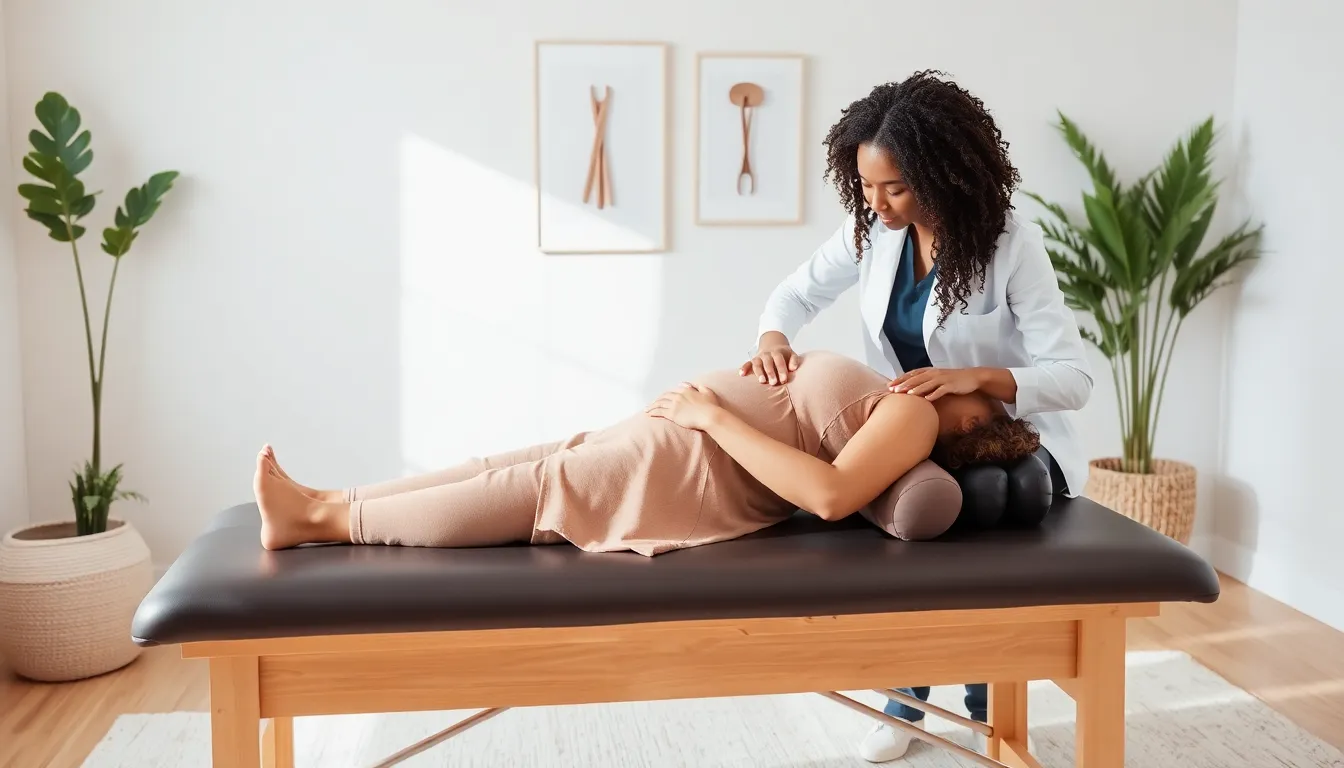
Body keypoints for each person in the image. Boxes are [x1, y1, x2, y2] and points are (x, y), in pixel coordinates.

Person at [740, 71, 1093, 762]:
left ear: (941, 172)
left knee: (974, 504)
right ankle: (906, 699)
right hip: (919, 437)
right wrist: (772, 338)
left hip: (1010, 442)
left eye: (894, 187)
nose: (876, 204)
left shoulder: (1009, 245)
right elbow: (792, 296)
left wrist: (975, 376)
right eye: (866, 187)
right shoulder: (872, 231)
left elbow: (1072, 380)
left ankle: (989, 704)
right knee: (913, 513)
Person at [253, 350, 1042, 558]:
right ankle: (325, 500)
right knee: (515, 462)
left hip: (696, 466)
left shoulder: (914, 419)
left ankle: (325, 524)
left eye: (976, 395)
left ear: (974, 427)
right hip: (684, 441)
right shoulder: (899, 408)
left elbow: (832, 495)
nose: (958, 380)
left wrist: (714, 418)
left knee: (536, 487)